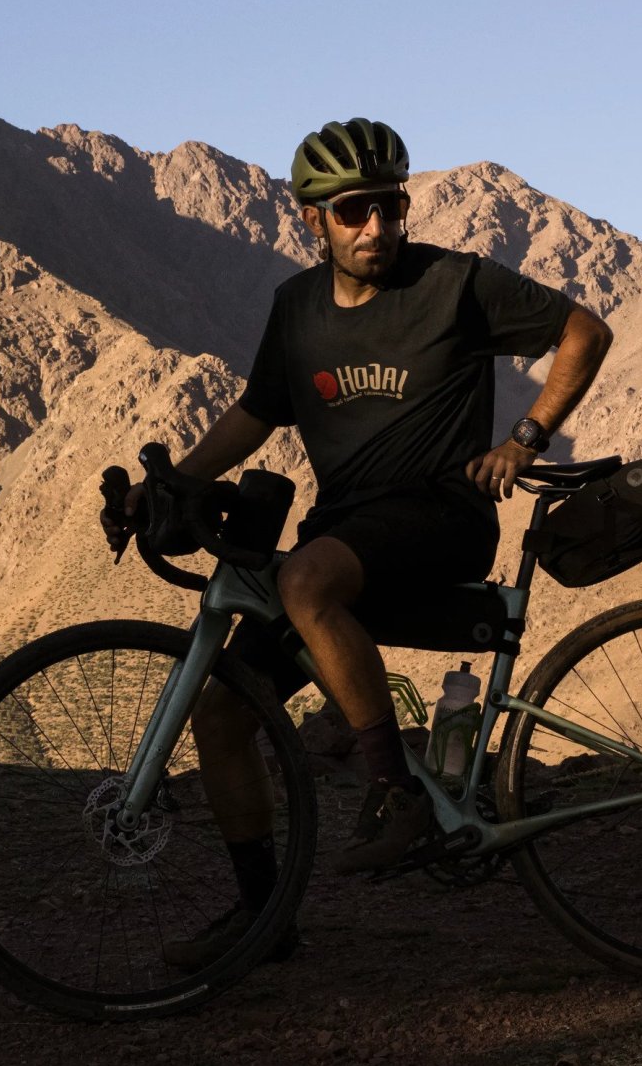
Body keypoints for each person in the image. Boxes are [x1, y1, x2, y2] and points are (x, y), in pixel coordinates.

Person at [101, 118, 613, 970]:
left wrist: (524, 438)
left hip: (442, 517)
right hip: (344, 533)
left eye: (388, 207)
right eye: (352, 211)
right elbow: (255, 413)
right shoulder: (295, 308)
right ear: (313, 219)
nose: (375, 226)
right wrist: (174, 484)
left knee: (303, 583)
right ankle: (264, 920)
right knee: (221, 713)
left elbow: (584, 332)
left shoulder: (453, 284)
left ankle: (395, 793)